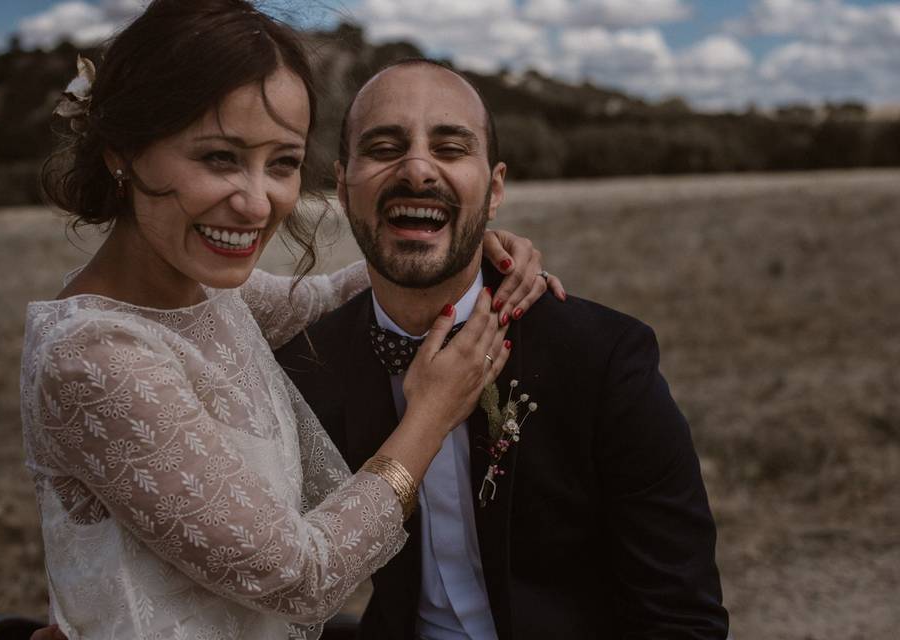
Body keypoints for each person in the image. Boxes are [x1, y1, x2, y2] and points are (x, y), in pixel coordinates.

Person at [20, 3, 557, 639]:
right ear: (124, 155)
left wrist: (467, 243)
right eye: (220, 157)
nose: (257, 202)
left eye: (282, 163)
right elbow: (303, 576)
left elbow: (327, 294)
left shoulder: (206, 296)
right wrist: (430, 416)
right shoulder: (95, 355)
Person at [275, 59, 730, 639]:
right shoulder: (306, 365)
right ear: (342, 188)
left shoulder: (605, 360)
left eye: (450, 147)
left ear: (493, 192)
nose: (417, 169)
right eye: (386, 147)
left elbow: (683, 620)